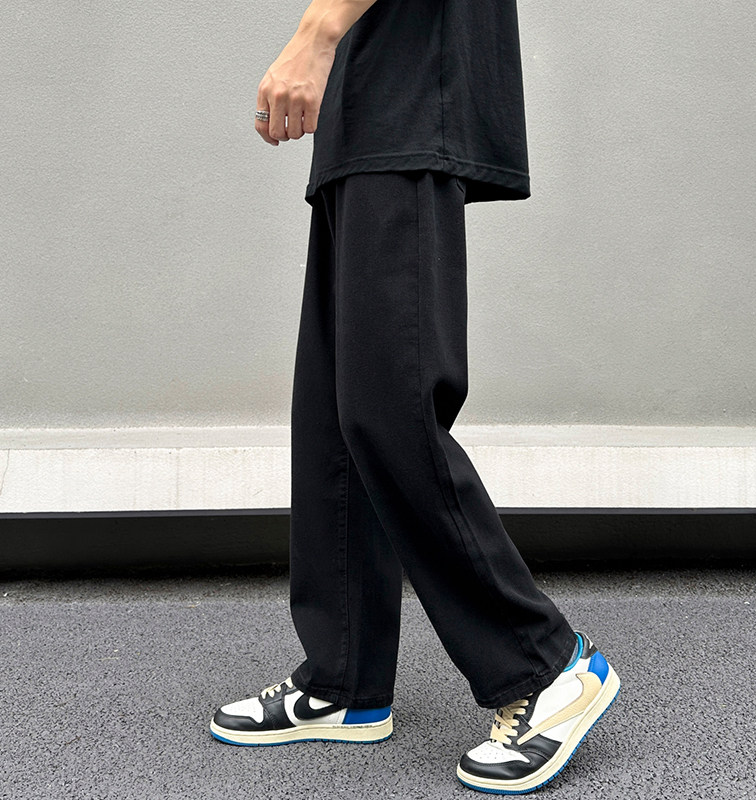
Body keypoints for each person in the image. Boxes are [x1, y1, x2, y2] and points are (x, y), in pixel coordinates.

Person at [209, 0, 620, 793]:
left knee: (389, 406)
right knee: (335, 414)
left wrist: (317, 31)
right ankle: (345, 679)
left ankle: (547, 667)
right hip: (365, 107)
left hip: (403, 89)